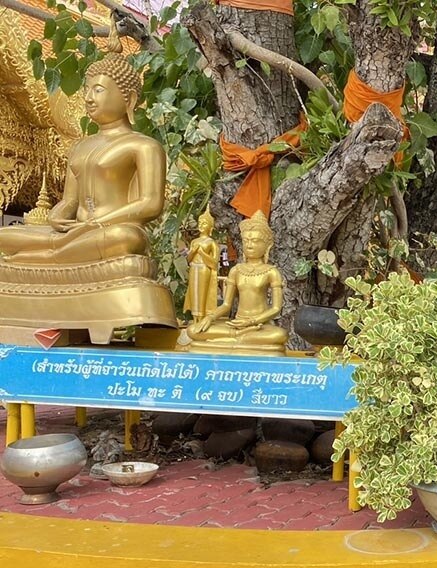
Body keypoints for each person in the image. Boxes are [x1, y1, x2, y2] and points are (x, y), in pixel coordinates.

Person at [0, 23, 165, 264]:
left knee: (127, 238)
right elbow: (70, 201)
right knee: (5, 235)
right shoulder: (79, 147)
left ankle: (47, 256)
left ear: (128, 99)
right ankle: (55, 251)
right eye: (87, 90)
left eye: (98, 90)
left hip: (111, 231)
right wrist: (57, 216)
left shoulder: (143, 146)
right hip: (74, 233)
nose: (88, 98)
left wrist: (95, 224)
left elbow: (150, 204)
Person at [187, 210, 288, 354]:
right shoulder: (236, 270)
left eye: (255, 241)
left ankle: (229, 341)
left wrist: (251, 321)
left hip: (259, 326)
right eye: (246, 241)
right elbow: (227, 305)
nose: (250, 245)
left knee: (279, 335)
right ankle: (239, 339)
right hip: (235, 324)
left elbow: (276, 308)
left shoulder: (271, 272)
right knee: (193, 330)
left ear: (267, 246)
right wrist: (210, 317)